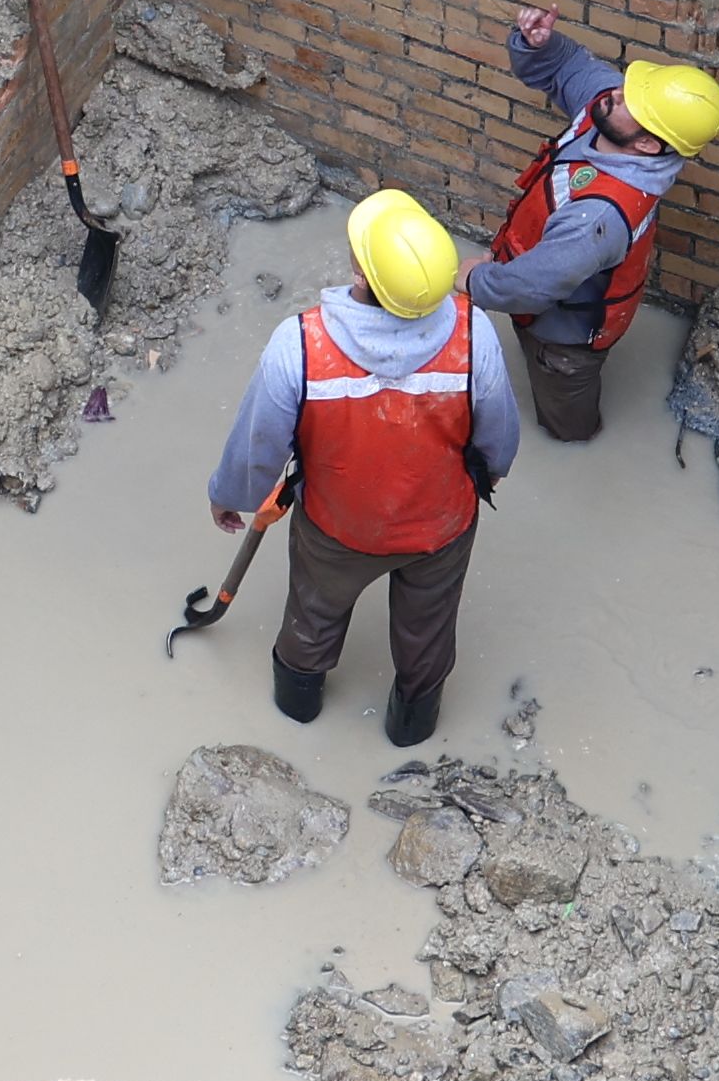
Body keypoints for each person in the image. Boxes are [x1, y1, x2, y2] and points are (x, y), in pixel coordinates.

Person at [205, 190, 524, 747]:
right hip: (439, 529)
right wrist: (491, 472)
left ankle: (297, 710)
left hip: (336, 528)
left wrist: (230, 494)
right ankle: (412, 730)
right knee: (427, 635)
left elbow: (260, 445)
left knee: (313, 616)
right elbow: (499, 438)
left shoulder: (301, 345)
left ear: (359, 268)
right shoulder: (474, 336)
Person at [465, 8, 719, 445]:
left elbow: (531, 286)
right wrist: (539, 45)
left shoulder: (599, 217)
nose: (616, 93)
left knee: (568, 427)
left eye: (632, 102)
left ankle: (576, 445)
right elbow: (569, 66)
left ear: (647, 143)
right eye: (629, 89)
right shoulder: (611, 113)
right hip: (540, 297)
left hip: (564, 345)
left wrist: (473, 279)